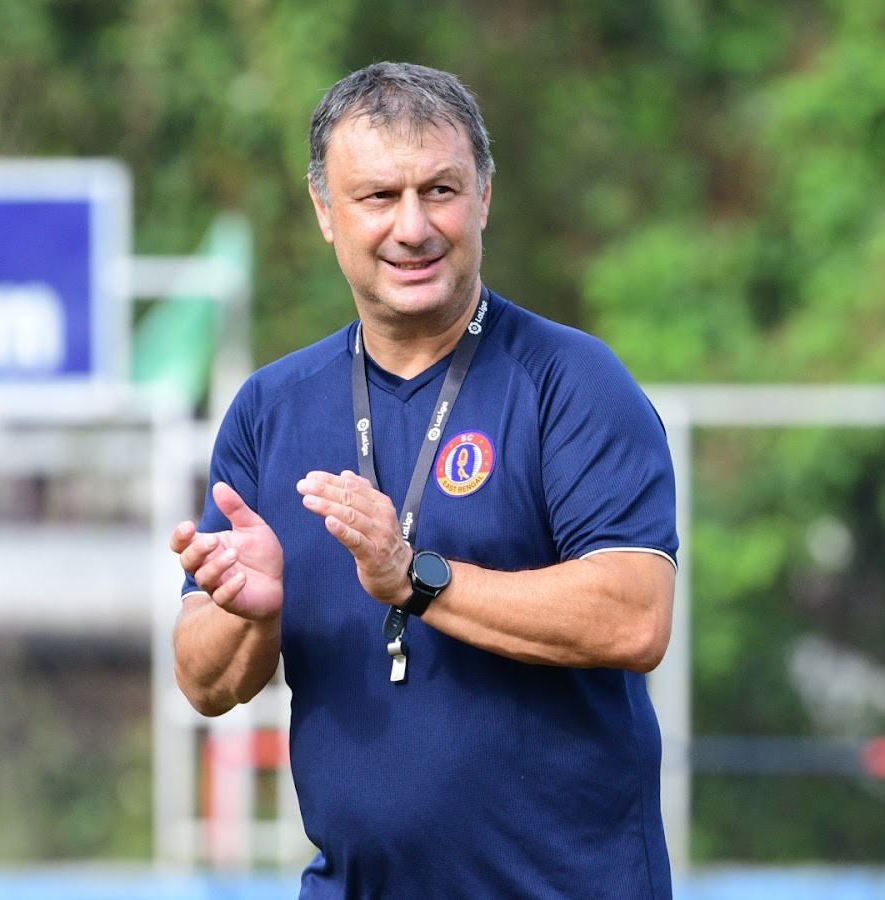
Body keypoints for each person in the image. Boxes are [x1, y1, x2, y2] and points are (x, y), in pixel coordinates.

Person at [170, 61, 678, 899]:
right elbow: (203, 679)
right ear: (326, 214)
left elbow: (634, 616)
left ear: (483, 197)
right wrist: (248, 618)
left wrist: (418, 581)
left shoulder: (571, 381)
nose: (413, 227)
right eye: (378, 197)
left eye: (439, 190)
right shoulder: (269, 409)